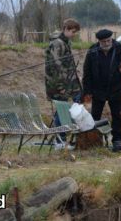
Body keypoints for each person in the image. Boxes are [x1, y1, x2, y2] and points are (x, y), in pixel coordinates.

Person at [82, 29, 121, 153]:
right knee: (95, 116)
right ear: (99, 41)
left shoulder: (120, 49)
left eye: (109, 40)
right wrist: (87, 91)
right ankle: (94, 141)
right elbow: (87, 73)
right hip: (98, 90)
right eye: (104, 41)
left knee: (117, 116)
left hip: (115, 88)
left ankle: (117, 141)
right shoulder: (92, 51)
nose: (107, 43)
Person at [45, 18, 81, 149]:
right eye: (73, 31)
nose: (74, 34)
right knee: (61, 110)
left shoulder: (66, 42)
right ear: (66, 29)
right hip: (58, 85)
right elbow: (56, 67)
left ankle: (67, 137)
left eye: (75, 32)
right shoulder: (57, 43)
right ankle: (60, 140)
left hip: (68, 83)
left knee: (70, 106)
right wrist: (61, 87)